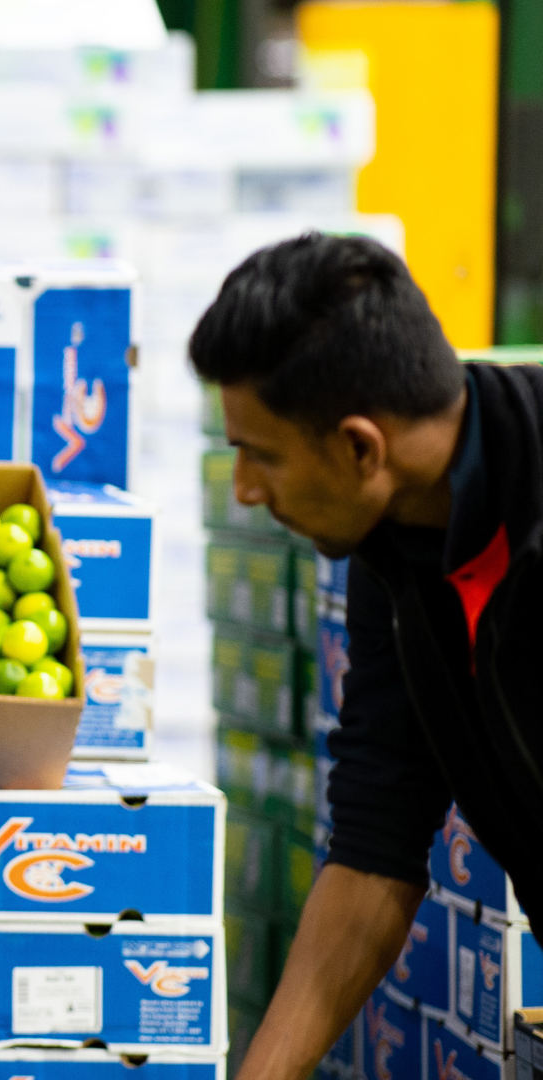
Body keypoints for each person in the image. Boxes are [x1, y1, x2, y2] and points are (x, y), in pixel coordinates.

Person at [190, 233, 542, 1080]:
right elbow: (375, 845)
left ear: (359, 446)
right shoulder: (398, 544)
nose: (243, 488)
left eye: (260, 454)